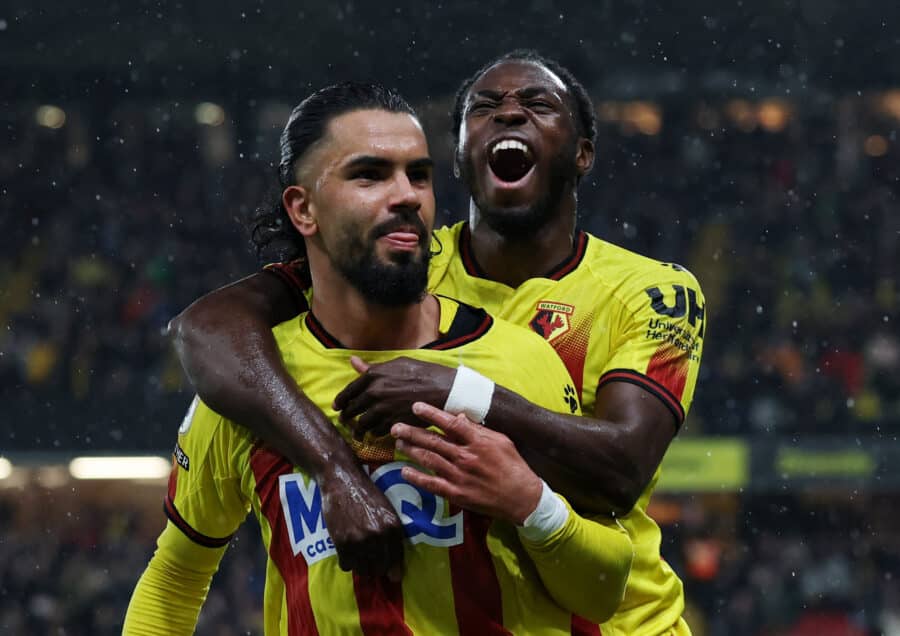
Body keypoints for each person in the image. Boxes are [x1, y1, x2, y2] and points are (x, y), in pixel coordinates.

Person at [170, 50, 707, 635]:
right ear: (456, 154)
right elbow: (207, 328)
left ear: (582, 154)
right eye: (484, 107)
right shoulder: (401, 259)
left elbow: (622, 471)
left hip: (629, 623)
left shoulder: (650, 290)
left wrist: (459, 391)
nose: (508, 116)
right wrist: (333, 469)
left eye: (538, 104)